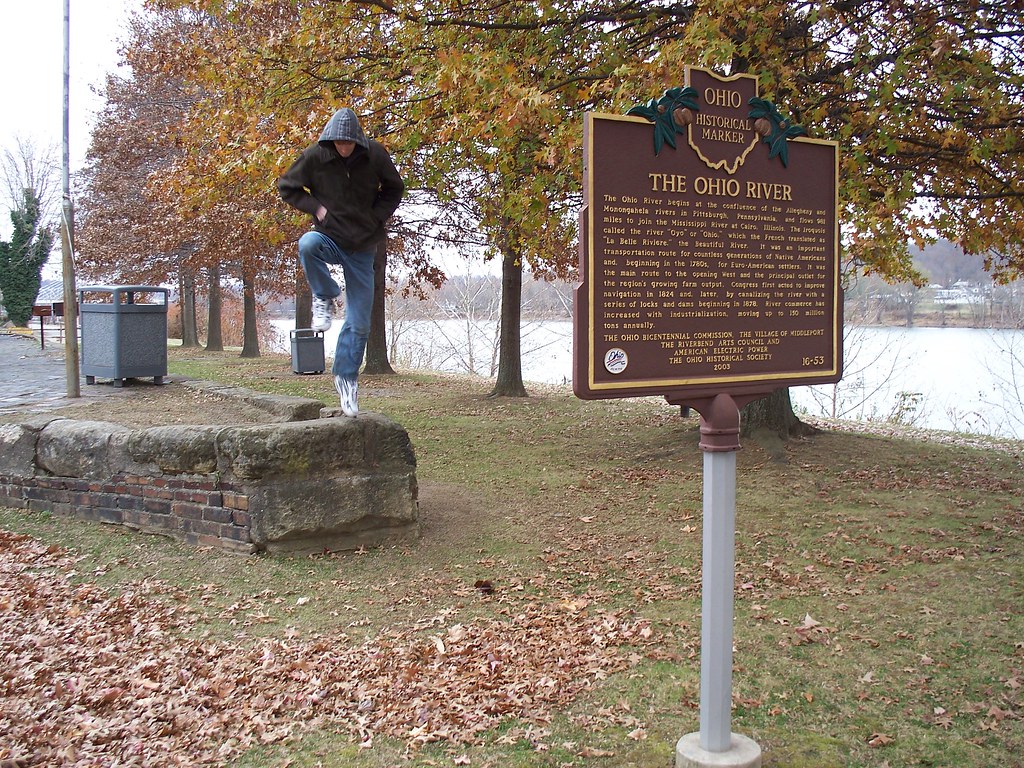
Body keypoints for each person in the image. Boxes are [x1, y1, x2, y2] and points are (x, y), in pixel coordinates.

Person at [278, 108, 404, 417]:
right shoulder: (315, 156)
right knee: (307, 244)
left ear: (357, 141)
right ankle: (324, 295)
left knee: (360, 323)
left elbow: (394, 189)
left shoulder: (374, 155)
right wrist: (316, 209)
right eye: (339, 143)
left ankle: (346, 380)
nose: (344, 148)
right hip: (330, 238)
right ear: (330, 140)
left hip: (363, 247)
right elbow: (288, 187)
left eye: (349, 143)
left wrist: (374, 217)